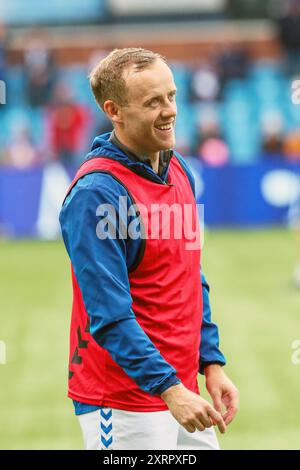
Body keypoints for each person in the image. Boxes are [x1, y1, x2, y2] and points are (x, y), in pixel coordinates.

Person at [59, 48, 239, 450]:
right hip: (123, 403)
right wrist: (169, 388)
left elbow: (189, 275)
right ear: (114, 110)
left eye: (171, 96)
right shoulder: (97, 195)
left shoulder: (178, 169)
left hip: (182, 394)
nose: (169, 110)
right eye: (153, 102)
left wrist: (210, 364)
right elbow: (108, 315)